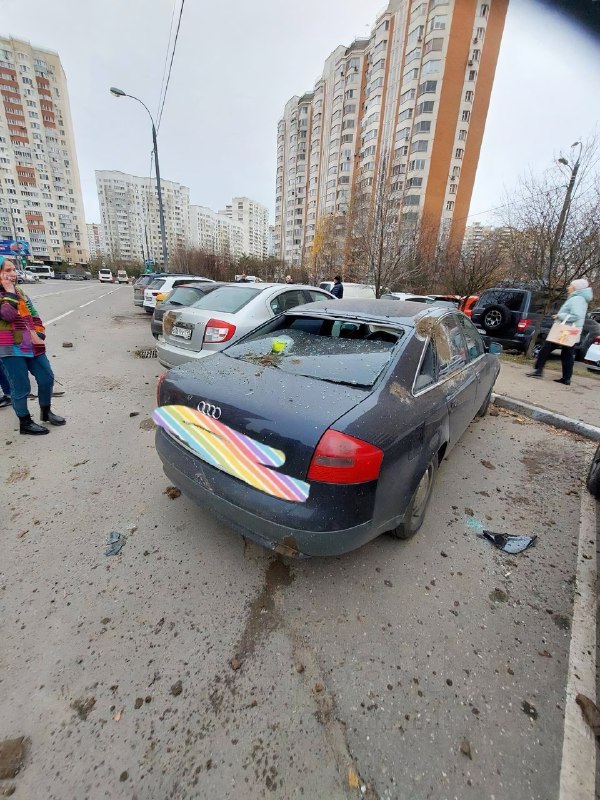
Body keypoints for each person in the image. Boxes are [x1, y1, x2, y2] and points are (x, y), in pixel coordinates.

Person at [0, 255, 66, 434]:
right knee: (20, 386)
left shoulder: (20, 291)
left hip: (32, 343)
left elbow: (33, 313)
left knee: (46, 377)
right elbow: (7, 315)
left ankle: (46, 412)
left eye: (14, 269)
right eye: (8, 270)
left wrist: (40, 331)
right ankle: (25, 422)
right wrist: (8, 291)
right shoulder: (10, 293)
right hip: (10, 348)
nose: (13, 273)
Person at [527, 278, 593, 386]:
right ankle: (566, 378)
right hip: (569, 331)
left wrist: (559, 316)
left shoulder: (577, 299)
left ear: (575, 288)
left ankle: (538, 370)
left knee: (546, 348)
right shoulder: (580, 299)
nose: (568, 287)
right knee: (567, 353)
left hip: (564, 330)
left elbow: (576, 315)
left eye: (570, 286)